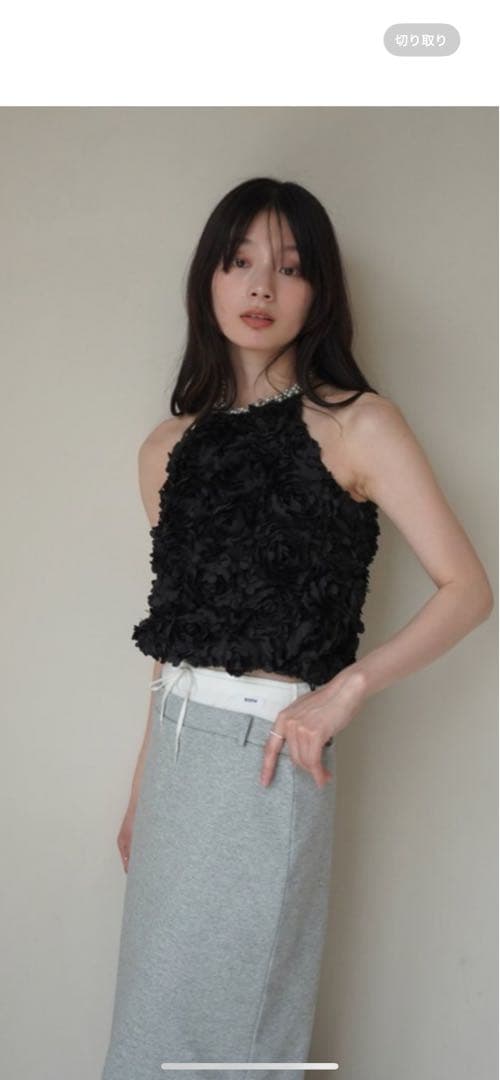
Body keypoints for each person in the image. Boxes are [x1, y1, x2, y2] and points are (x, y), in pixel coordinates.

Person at [101, 177, 493, 1080]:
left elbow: (468, 589)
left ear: (320, 290)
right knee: (149, 1042)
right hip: (177, 760)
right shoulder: (166, 449)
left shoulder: (358, 424)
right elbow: (176, 630)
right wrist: (141, 787)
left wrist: (343, 692)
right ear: (208, 277)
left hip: (267, 758)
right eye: (239, 261)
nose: (260, 286)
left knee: (234, 1048)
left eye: (289, 266)